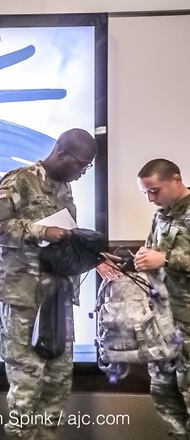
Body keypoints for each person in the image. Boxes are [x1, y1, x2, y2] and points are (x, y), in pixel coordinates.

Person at [0, 128, 98, 439]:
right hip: (21, 296)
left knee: (58, 380)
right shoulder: (19, 179)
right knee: (27, 383)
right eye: (81, 165)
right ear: (61, 156)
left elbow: (63, 236)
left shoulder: (65, 187)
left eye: (88, 168)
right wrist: (39, 231)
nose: (83, 173)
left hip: (56, 295)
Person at [132, 159, 190, 439]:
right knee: (164, 393)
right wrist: (140, 259)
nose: (150, 198)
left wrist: (166, 258)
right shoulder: (161, 215)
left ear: (176, 179)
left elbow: (165, 258)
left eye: (154, 191)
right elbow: (153, 253)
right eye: (145, 193)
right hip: (164, 321)